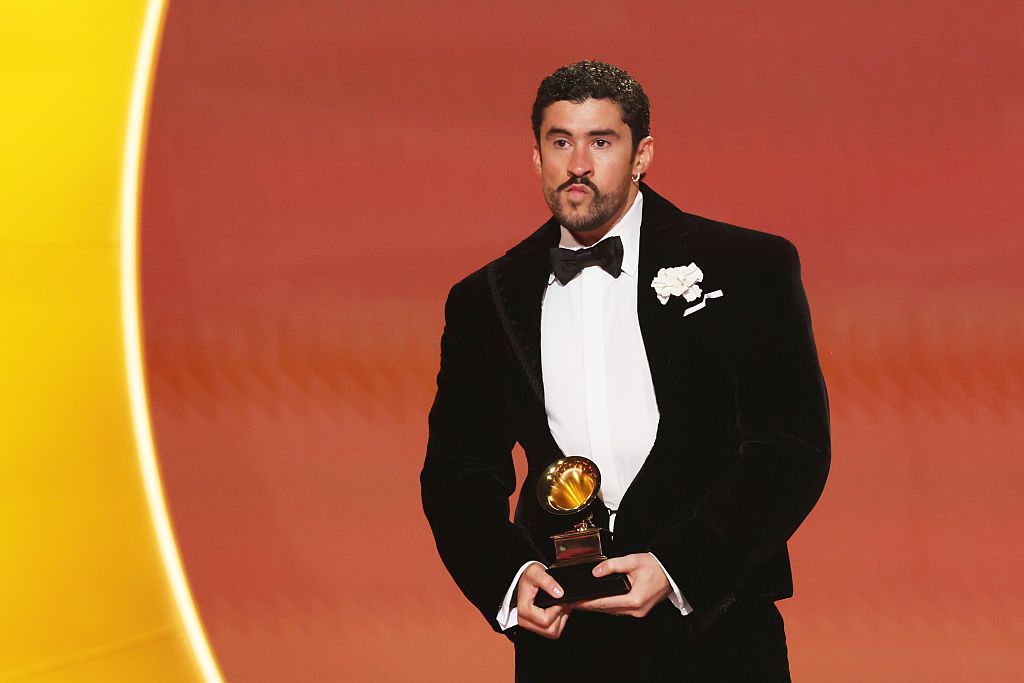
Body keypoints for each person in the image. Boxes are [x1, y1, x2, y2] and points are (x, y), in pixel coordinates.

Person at [421, 60, 829, 681]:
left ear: (643, 155)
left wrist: (678, 567)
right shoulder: (487, 297)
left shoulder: (747, 267)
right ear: (536, 156)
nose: (578, 164)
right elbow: (459, 467)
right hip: (565, 643)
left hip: (717, 631)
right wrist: (505, 576)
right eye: (561, 142)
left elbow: (791, 447)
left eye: (601, 142)